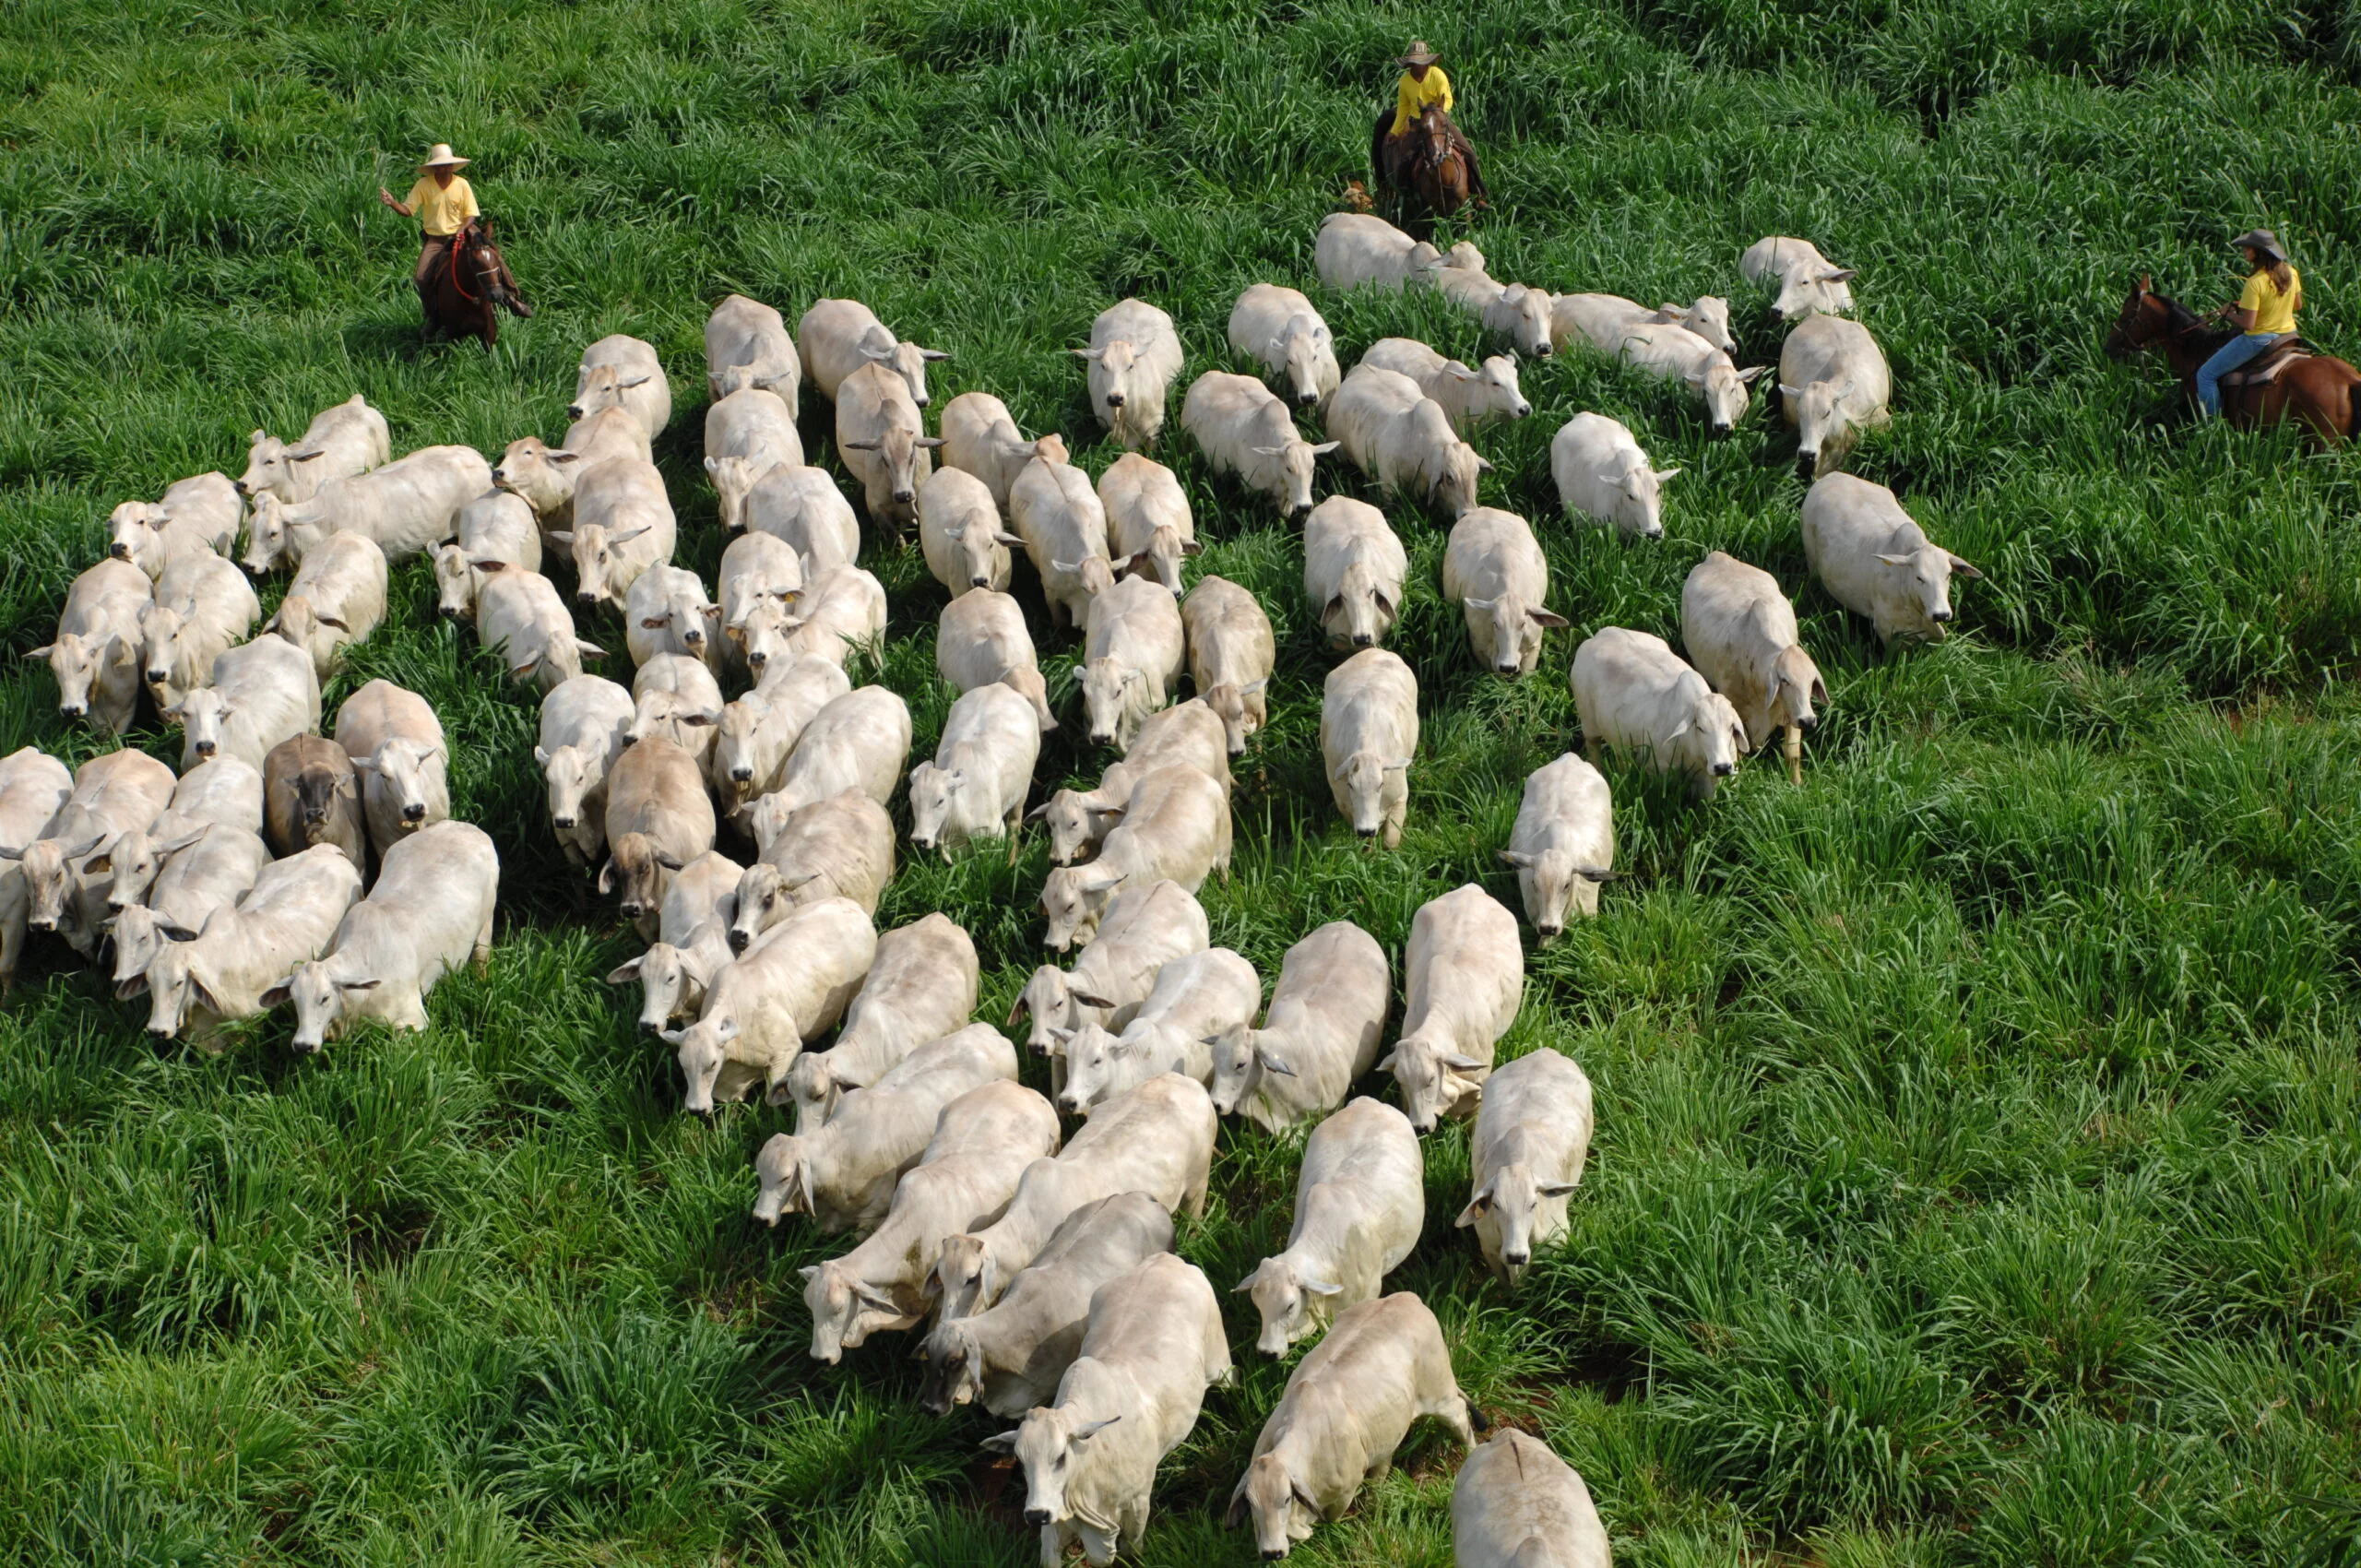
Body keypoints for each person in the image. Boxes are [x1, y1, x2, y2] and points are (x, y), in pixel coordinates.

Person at [378, 144, 532, 319]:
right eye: (443, 164)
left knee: (492, 255)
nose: (447, 167)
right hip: (436, 239)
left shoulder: (462, 184)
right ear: (435, 167)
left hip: (464, 231)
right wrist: (392, 203)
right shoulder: (423, 185)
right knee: (421, 277)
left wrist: (461, 229)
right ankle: (432, 315)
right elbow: (408, 211)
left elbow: (471, 215)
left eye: (449, 164)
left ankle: (513, 298)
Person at [2197, 228, 2300, 419]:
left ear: (2259, 253)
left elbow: (2249, 324)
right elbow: (2297, 304)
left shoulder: (2255, 282)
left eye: (2248, 249)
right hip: (2288, 335)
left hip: (2259, 339)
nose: (2244, 252)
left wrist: (2226, 313)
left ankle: (2212, 427)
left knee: (2205, 375)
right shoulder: (2291, 273)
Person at [1376, 41, 1487, 202]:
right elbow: (1403, 109)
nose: (1417, 65)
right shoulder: (1405, 82)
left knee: (1468, 152)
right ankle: (1407, 198)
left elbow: (1447, 99)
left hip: (1439, 121)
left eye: (1420, 62)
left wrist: (1437, 114)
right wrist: (1394, 131)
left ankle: (1480, 194)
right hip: (1417, 123)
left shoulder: (1437, 75)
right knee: (1404, 160)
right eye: (1414, 62)